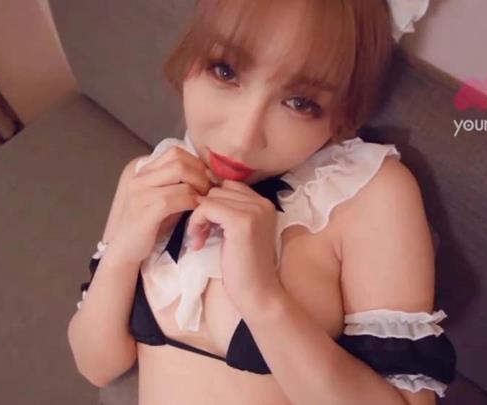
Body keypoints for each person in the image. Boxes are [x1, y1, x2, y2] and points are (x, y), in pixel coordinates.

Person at [68, 0, 456, 404]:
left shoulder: (368, 194)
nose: (242, 139)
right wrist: (121, 256)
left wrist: (262, 297)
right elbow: (97, 366)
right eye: (225, 71)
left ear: (343, 111)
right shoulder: (146, 176)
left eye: (300, 103)